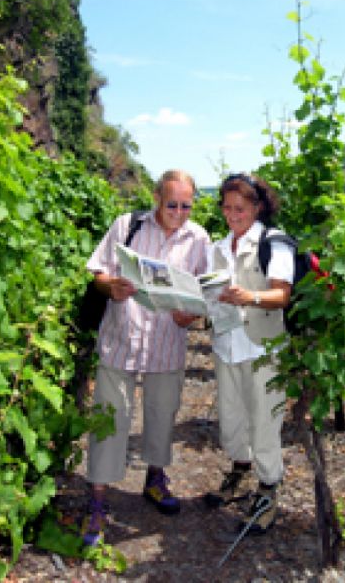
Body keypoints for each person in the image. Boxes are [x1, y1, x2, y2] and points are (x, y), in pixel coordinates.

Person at [82, 169, 210, 545]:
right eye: (172, 204)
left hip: (166, 344)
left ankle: (155, 478)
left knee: (162, 415)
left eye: (186, 206)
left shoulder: (198, 238)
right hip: (120, 339)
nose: (179, 212)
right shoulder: (128, 225)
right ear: (157, 196)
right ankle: (98, 499)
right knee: (109, 419)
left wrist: (193, 314)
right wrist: (113, 286)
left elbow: (204, 292)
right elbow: (97, 272)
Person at [203, 172, 294, 534]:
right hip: (227, 344)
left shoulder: (275, 243)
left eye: (239, 208)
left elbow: (281, 294)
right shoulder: (218, 247)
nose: (232, 215)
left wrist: (250, 296)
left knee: (265, 421)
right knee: (232, 417)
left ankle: (269, 488)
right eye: (226, 208)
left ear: (257, 207)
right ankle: (240, 472)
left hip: (262, 346)